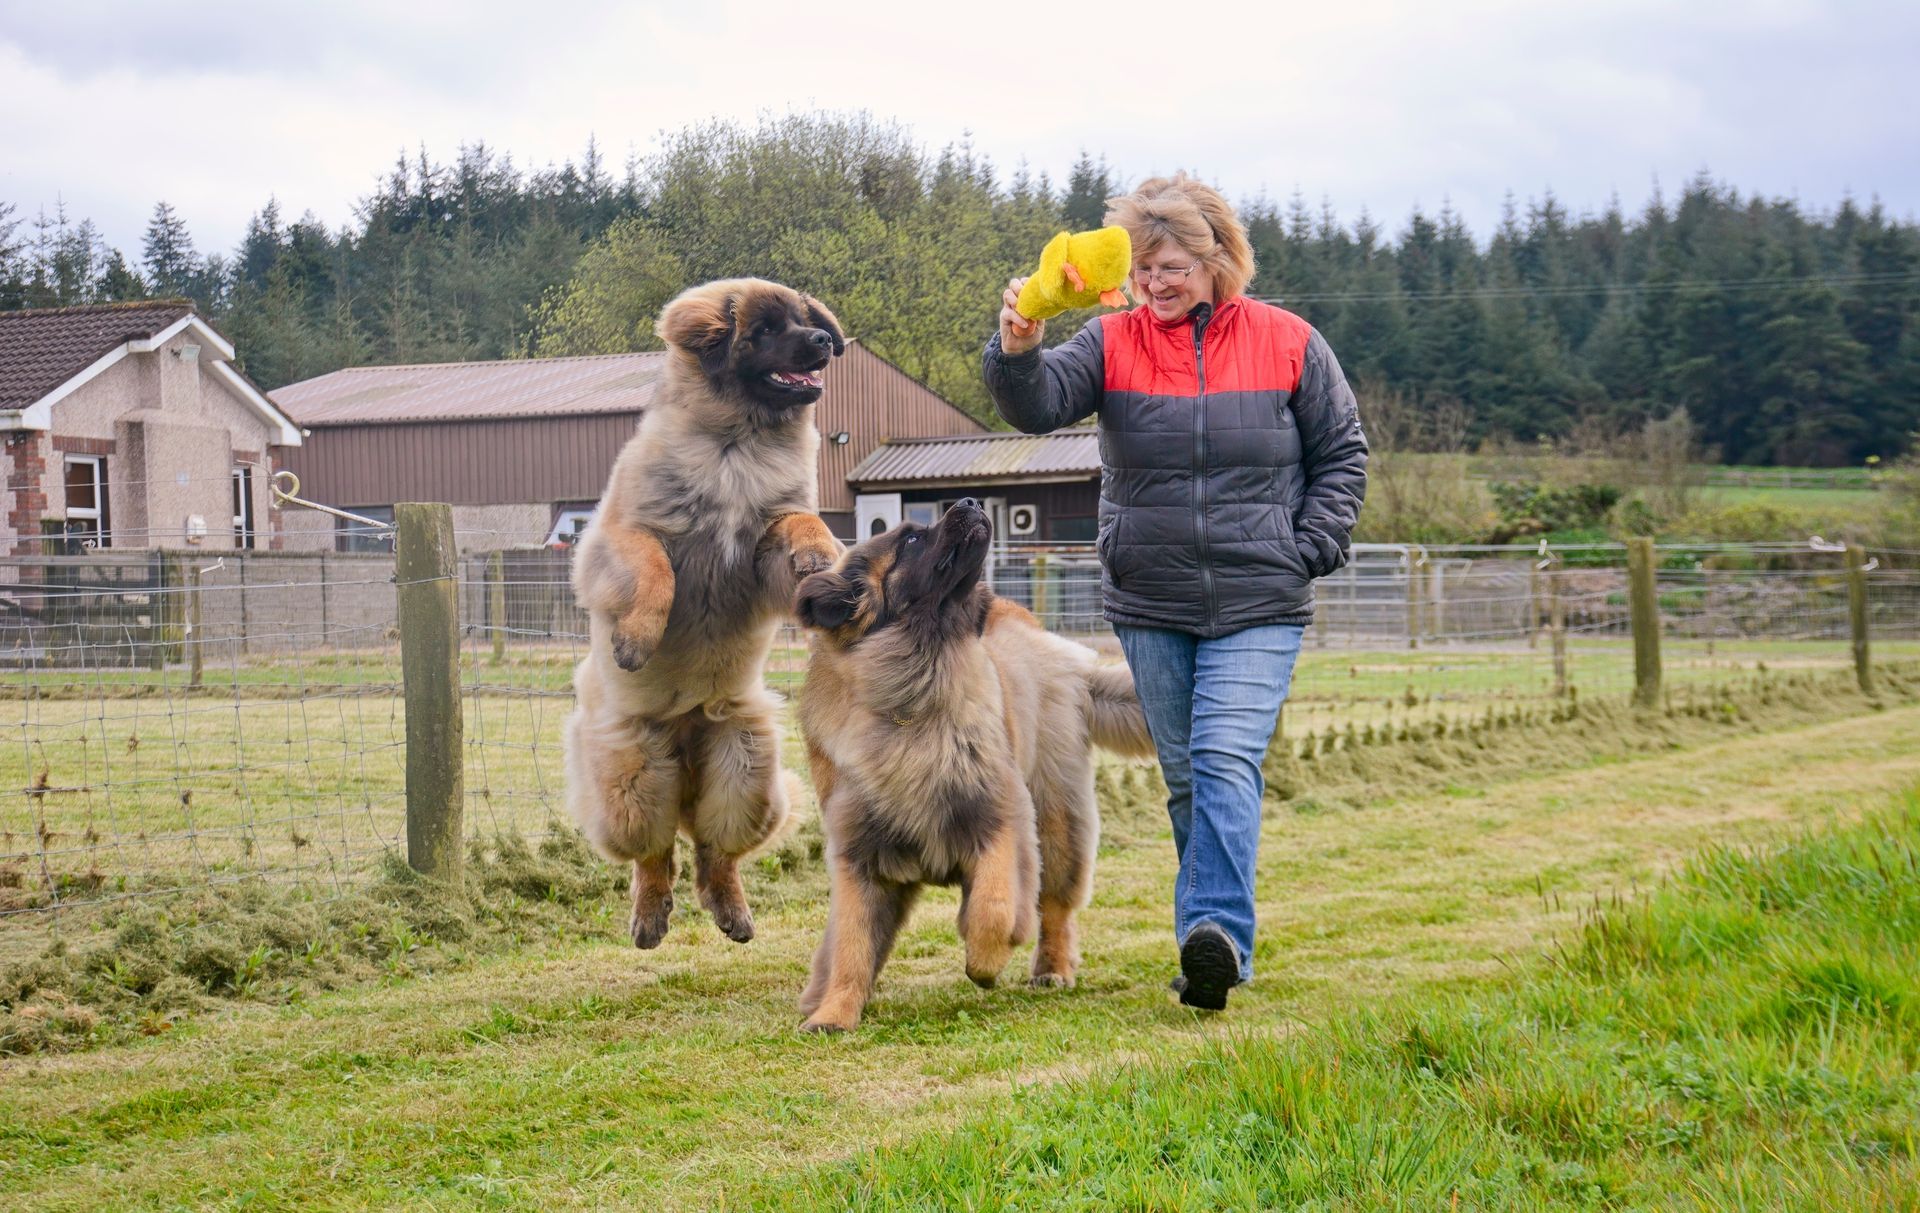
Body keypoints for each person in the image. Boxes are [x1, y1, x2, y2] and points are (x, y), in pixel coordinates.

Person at [982, 173, 1368, 1011]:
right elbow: (1036, 405)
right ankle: (1215, 939)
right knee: (1190, 775)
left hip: (1260, 596)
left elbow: (1343, 452)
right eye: (1147, 267)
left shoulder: (1290, 341)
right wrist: (1017, 343)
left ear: (1218, 258)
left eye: (1176, 265)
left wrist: (1308, 546)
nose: (1159, 283)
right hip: (1151, 599)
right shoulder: (1111, 341)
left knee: (1226, 756)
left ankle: (1217, 935)